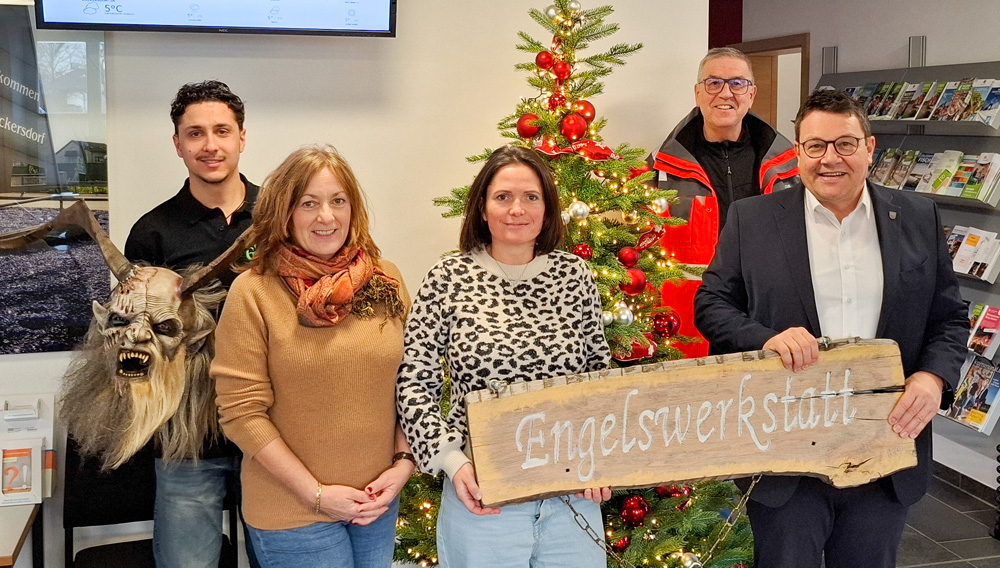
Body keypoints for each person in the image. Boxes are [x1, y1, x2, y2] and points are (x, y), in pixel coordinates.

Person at [694, 89, 968, 568]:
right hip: (785, 454)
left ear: (869, 148)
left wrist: (933, 377)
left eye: (845, 143)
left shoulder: (918, 216)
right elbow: (711, 305)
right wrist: (766, 338)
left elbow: (948, 316)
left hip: (885, 447)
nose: (830, 159)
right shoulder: (752, 220)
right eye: (815, 145)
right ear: (798, 152)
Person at [395, 145, 613, 567]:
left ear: (547, 210)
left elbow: (598, 378)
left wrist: (602, 462)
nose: (517, 209)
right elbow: (413, 381)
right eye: (503, 197)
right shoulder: (448, 278)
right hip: (482, 494)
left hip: (571, 496)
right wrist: (452, 462)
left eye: (531, 197)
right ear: (482, 208)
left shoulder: (574, 276)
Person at [212, 144, 414, 568]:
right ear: (284, 213)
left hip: (376, 502)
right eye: (309, 204)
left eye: (338, 201)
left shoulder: (386, 279)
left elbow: (411, 383)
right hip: (293, 510)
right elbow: (241, 412)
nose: (327, 217)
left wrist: (403, 464)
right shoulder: (254, 292)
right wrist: (317, 494)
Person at [123, 79, 257, 568]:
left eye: (222, 131)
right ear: (178, 144)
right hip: (188, 440)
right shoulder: (152, 232)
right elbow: (134, 346)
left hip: (273, 432)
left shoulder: (282, 217)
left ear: (242, 138)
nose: (210, 145)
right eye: (195, 133)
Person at [650, 47, 798, 358]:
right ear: (698, 93)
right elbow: (643, 252)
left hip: (768, 314)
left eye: (737, 83)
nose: (726, 93)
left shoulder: (789, 166)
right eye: (714, 83)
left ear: (752, 94)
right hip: (692, 319)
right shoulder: (660, 168)